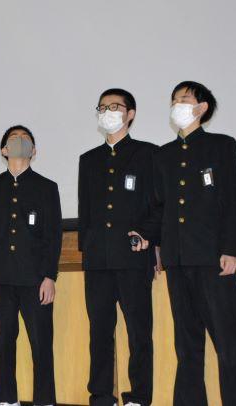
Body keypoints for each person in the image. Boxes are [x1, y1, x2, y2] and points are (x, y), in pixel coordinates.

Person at [132, 81, 236, 405]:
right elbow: (160, 207)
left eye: (184, 99)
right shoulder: (164, 155)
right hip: (177, 260)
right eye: (174, 100)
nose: (177, 105)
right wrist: (150, 239)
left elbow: (233, 200)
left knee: (228, 344)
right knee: (187, 347)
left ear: (202, 107)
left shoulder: (221, 146)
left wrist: (231, 250)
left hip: (214, 259)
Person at [78, 89, 158, 406]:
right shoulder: (88, 160)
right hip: (97, 260)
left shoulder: (148, 154)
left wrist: (150, 237)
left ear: (130, 113)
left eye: (114, 106)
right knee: (99, 332)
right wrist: (87, 249)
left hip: (133, 257)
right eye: (102, 107)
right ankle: (101, 395)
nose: (107, 112)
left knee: (139, 332)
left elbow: (159, 205)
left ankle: (139, 396)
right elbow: (86, 211)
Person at [0, 125, 62, 406]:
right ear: (4, 150)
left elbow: (53, 236)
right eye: (14, 139)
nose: (19, 142)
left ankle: (44, 400)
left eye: (25, 139)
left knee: (41, 343)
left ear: (33, 150)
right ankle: (5, 399)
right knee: (4, 341)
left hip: (36, 279)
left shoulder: (47, 187)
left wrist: (50, 276)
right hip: (2, 277)